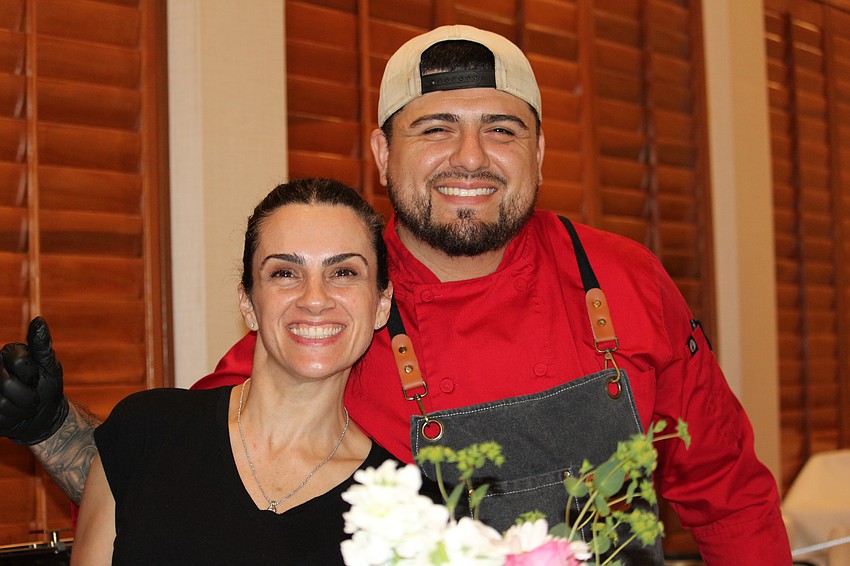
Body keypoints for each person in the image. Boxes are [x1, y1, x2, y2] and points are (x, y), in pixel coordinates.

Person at [0, 25, 791, 564]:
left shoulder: (624, 277)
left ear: (541, 151)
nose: (470, 157)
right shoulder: (334, 313)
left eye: (502, 128)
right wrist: (50, 426)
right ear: (383, 151)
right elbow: (176, 485)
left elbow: (731, 496)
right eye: (435, 127)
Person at [69, 178, 400, 564]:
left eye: (343, 272)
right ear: (247, 302)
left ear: (381, 304)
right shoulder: (144, 431)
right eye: (285, 273)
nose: (314, 299)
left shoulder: (403, 511)